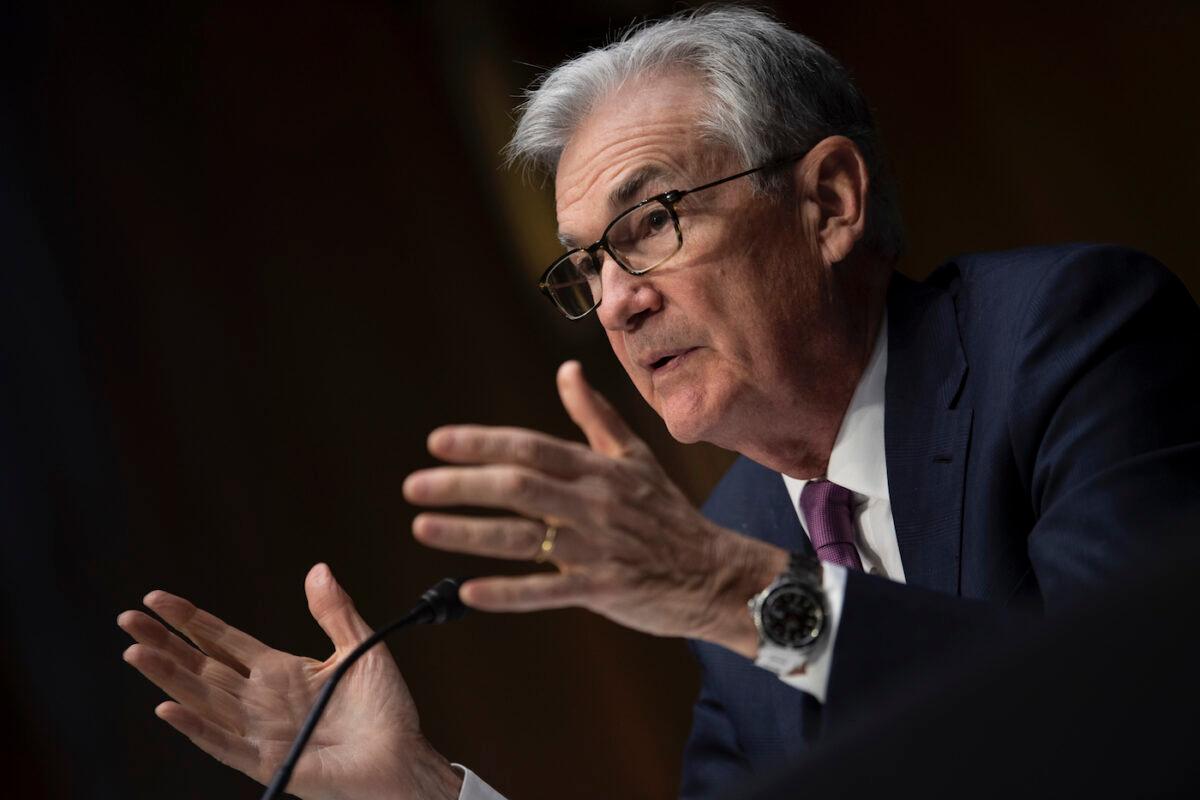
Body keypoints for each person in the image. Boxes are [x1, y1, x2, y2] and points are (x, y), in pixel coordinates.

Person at [117, 6, 1200, 800]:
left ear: (828, 201)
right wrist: (421, 789)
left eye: (653, 221)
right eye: (585, 266)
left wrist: (730, 590)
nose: (619, 302)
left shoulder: (1068, 335)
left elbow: (1138, 720)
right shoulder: (743, 525)